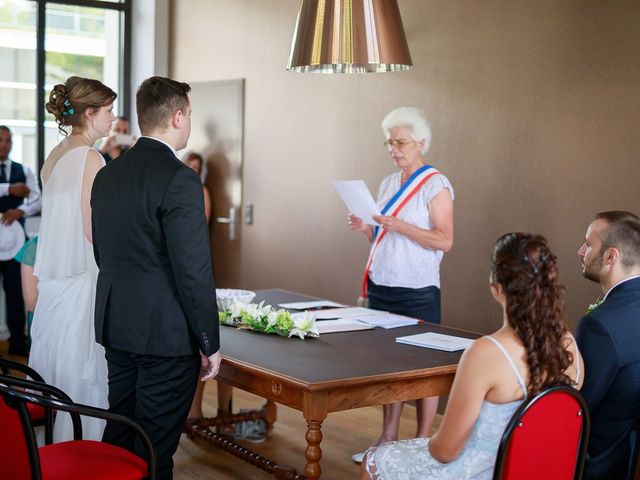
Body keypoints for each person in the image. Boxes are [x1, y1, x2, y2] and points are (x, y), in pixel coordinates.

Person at [362, 232, 584, 479]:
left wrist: (429, 441)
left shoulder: (486, 352)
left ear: (496, 288)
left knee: (375, 459)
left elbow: (444, 452)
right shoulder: (570, 346)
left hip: (486, 472)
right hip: (544, 471)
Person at [91, 76, 221, 480]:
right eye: (190, 115)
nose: (190, 123)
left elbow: (102, 253)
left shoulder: (108, 174)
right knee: (154, 450)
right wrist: (208, 342)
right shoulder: (180, 178)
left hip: (118, 324)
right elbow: (192, 271)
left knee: (121, 435)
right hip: (164, 335)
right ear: (178, 116)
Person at [348, 107, 454, 462]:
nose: (393, 149)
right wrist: (367, 229)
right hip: (383, 285)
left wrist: (400, 226)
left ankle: (423, 444)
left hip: (418, 289)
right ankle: (388, 437)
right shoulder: (388, 183)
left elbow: (444, 240)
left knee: (425, 368)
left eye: (400, 142)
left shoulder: (436, 184)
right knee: (388, 366)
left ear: (421, 142)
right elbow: (385, 239)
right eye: (389, 143)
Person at [29, 76, 116, 441]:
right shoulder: (91, 157)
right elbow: (91, 228)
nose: (113, 118)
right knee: (85, 376)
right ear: (90, 113)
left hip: (54, 286)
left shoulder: (57, 154)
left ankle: (56, 453)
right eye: (109, 111)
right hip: (83, 279)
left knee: (61, 376)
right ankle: (87, 455)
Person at [576, 211, 640, 479]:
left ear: (611, 256)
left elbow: (578, 406)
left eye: (589, 244)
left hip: (598, 461)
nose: (581, 251)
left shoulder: (600, 325)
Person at [0, 125, 41, 356]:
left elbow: (37, 198)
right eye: (1, 140)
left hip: (16, 242)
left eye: (8, 141)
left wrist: (22, 211)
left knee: (17, 293)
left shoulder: (23, 170)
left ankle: (18, 342)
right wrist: (9, 189)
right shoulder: (13, 182)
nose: (4, 144)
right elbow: (13, 191)